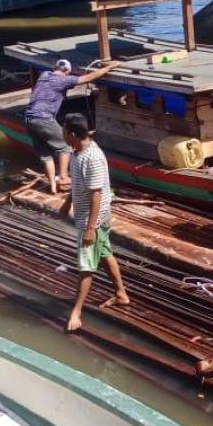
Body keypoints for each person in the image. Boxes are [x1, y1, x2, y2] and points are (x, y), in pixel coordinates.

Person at [58, 113, 129, 332]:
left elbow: (96, 194)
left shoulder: (93, 158)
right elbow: (79, 184)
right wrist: (67, 202)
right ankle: (120, 294)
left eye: (63, 130)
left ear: (71, 134)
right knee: (105, 252)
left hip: (93, 219)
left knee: (86, 265)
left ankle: (76, 311)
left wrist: (90, 228)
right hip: (86, 215)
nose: (61, 133)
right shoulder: (77, 151)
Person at [25, 58, 119, 194]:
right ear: (67, 71)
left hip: (28, 119)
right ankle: (63, 177)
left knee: (46, 154)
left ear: (55, 68)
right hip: (43, 118)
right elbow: (88, 78)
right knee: (65, 146)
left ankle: (52, 186)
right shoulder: (64, 80)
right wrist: (108, 68)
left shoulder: (44, 75)